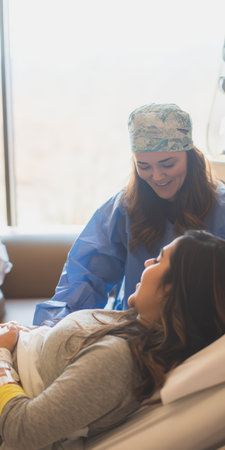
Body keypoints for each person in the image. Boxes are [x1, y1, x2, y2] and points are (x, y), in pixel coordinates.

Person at [0, 230, 225, 450]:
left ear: (173, 290)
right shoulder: (132, 323)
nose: (146, 263)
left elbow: (22, 430)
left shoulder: (117, 362)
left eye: (158, 260)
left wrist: (3, 355)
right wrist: (25, 334)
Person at [33, 103, 225, 326]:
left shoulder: (220, 207)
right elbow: (83, 279)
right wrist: (50, 330)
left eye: (168, 164)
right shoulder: (123, 209)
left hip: (206, 335)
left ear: (190, 157)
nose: (157, 176)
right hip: (136, 333)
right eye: (144, 166)